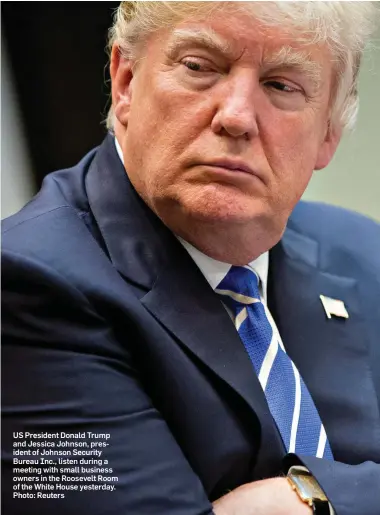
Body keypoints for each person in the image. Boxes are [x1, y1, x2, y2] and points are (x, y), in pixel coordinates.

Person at [2, 2, 380, 514]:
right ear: (126, 82)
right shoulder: (28, 284)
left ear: (329, 134)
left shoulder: (361, 252)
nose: (237, 116)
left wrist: (296, 499)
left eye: (282, 85)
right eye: (200, 66)